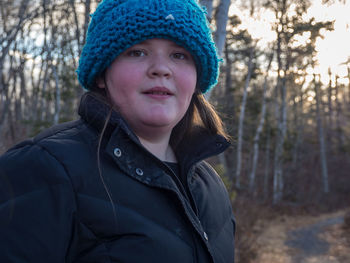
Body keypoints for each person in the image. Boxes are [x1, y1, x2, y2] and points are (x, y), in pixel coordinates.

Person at [0, 0, 235, 262]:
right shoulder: (43, 170)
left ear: (197, 78)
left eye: (179, 55)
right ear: (102, 73)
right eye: (137, 52)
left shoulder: (209, 186)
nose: (161, 68)